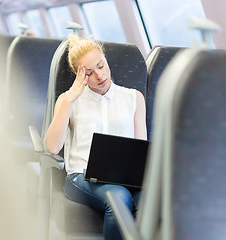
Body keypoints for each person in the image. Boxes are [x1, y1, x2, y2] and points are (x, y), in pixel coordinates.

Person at [45, 34, 147, 240]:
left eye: (101, 66)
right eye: (90, 73)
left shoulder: (133, 98)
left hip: (126, 179)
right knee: (118, 197)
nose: (99, 76)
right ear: (79, 74)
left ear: (106, 60)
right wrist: (70, 99)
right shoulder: (69, 100)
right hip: (81, 176)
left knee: (150, 200)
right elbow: (52, 148)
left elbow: (140, 148)